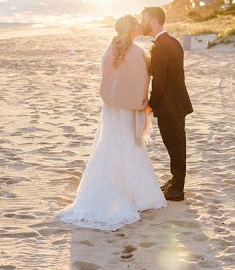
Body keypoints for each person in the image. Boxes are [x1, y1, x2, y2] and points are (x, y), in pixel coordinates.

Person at [56, 15, 167, 231]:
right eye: (136, 24)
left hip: (111, 109)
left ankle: (107, 191)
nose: (138, 26)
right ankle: (130, 195)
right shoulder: (137, 53)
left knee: (108, 147)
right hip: (127, 110)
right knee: (129, 147)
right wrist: (142, 103)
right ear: (132, 30)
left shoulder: (110, 51)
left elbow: (107, 78)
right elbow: (141, 80)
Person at [141, 7, 194, 201]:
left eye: (144, 19)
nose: (142, 23)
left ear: (154, 20)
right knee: (177, 145)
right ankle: (176, 181)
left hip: (169, 106)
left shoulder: (161, 47)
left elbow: (160, 82)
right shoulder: (173, 42)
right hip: (178, 103)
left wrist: (151, 104)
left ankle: (177, 189)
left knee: (175, 145)